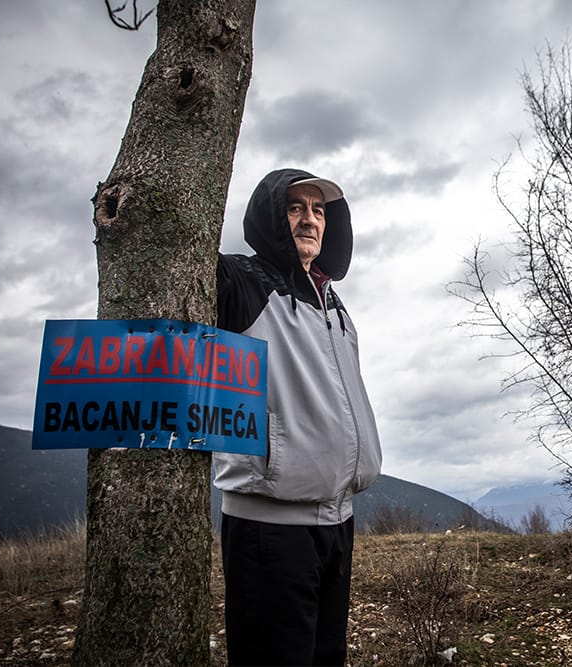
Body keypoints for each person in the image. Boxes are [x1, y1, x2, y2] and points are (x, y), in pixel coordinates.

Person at [213, 168, 383, 666]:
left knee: (325, 657)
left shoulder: (334, 303)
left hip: (337, 520)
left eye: (319, 210)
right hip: (268, 526)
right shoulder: (243, 283)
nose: (309, 219)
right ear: (270, 217)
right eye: (294, 208)